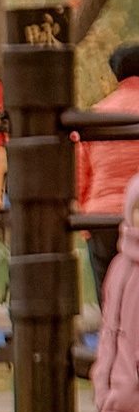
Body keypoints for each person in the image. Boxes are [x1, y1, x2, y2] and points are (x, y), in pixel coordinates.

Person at [56, 174, 139, 412]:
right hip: (120, 388)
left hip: (132, 383)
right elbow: (110, 330)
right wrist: (103, 374)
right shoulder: (121, 268)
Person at [77, 43, 139, 299]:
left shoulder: (96, 115)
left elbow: (80, 176)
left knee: (110, 300)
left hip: (101, 216)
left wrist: (84, 221)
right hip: (137, 215)